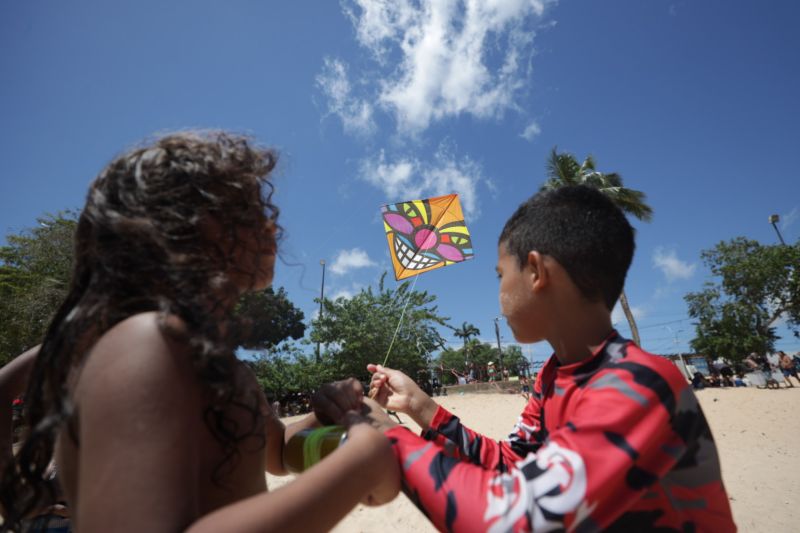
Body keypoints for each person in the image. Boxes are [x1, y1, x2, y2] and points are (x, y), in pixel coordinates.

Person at [0, 132, 399, 532]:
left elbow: (276, 451)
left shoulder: (218, 363)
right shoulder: (141, 342)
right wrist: (360, 465)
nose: (272, 223)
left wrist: (326, 419)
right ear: (183, 224)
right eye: (248, 207)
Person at [362, 186, 735, 530]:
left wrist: (387, 435)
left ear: (537, 272)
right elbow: (517, 465)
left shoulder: (641, 383)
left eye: (500, 275)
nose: (500, 291)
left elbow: (512, 518)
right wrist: (419, 406)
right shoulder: (553, 377)